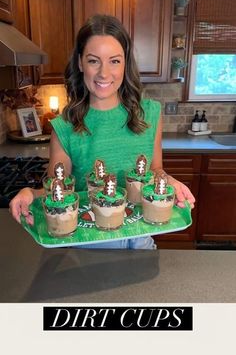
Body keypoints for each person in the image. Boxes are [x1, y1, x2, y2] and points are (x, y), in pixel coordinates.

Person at [9, 14, 195, 249]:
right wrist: (29, 193)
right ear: (80, 63)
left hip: (140, 238)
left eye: (114, 61)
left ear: (125, 63)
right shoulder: (64, 126)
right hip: (88, 244)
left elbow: (155, 170)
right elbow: (59, 189)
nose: (104, 74)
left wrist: (170, 182)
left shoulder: (150, 114)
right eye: (94, 60)